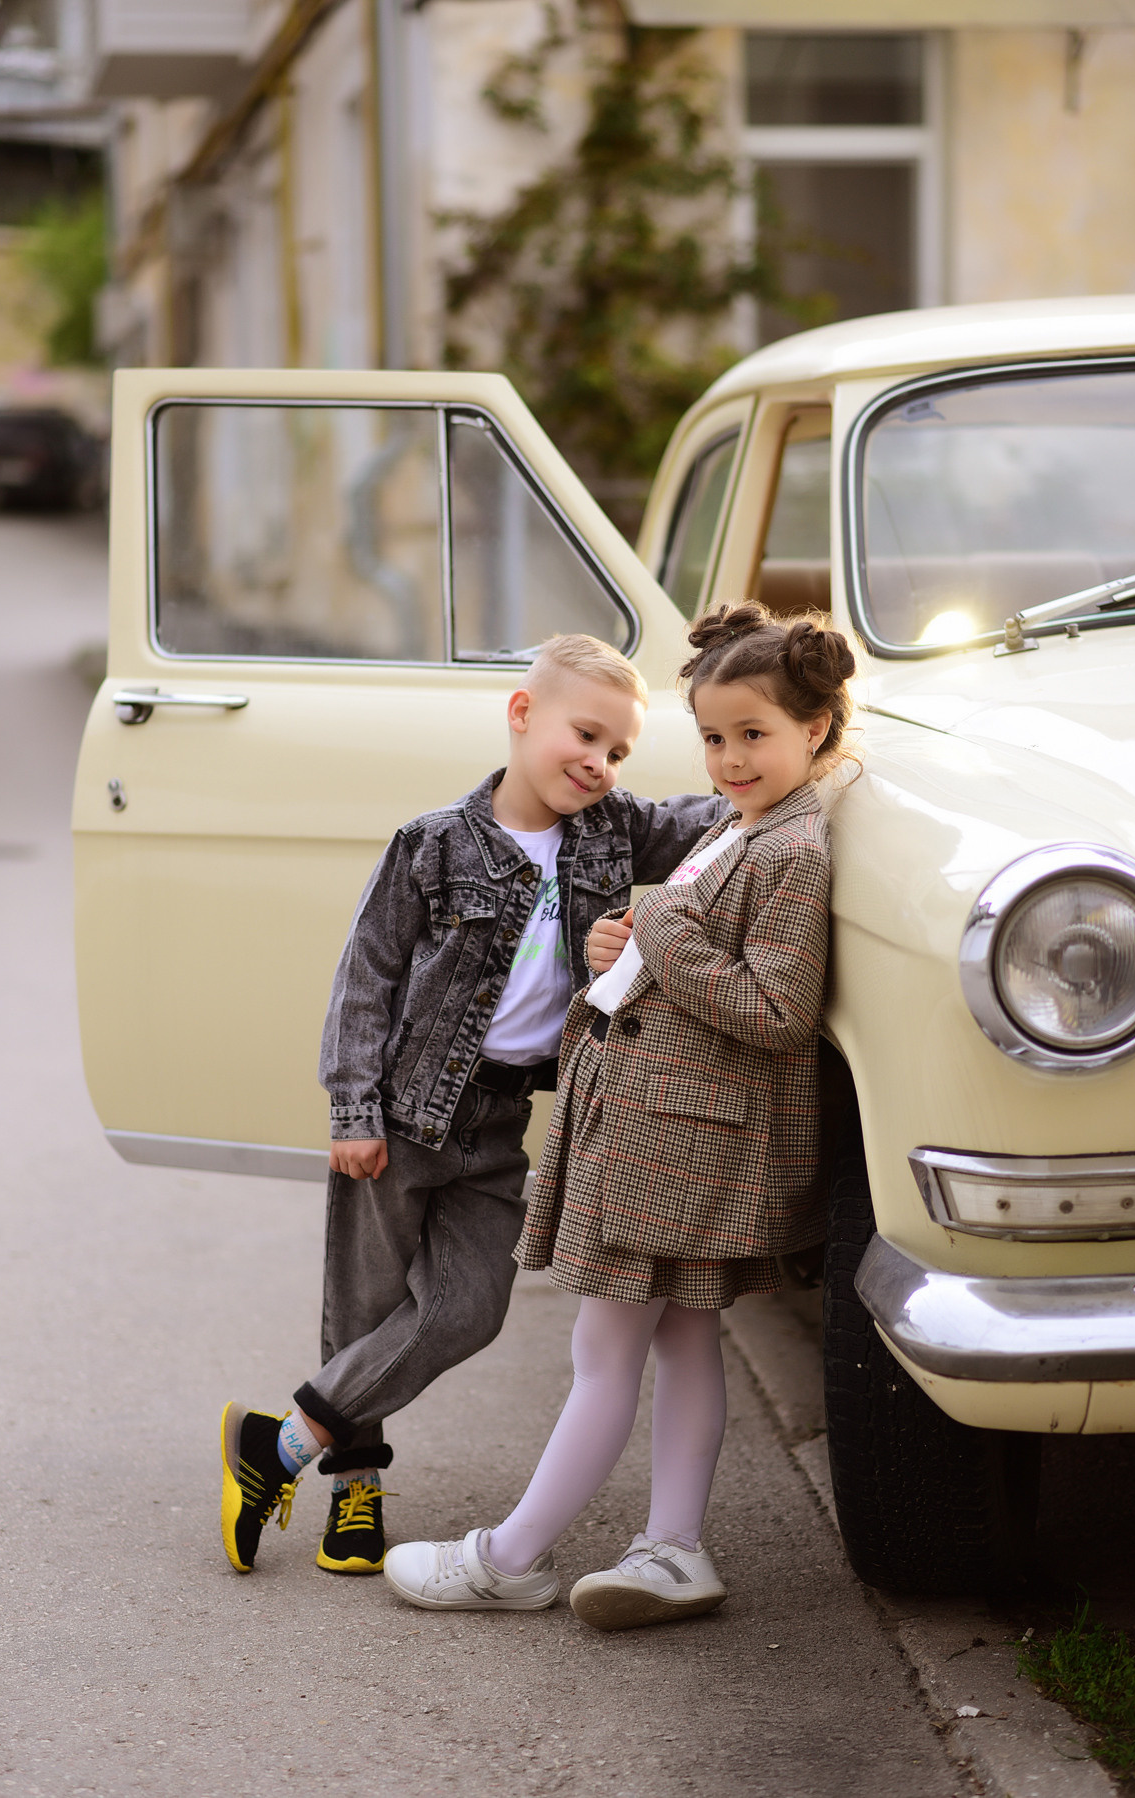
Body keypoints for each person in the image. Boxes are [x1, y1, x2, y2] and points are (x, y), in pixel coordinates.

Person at [382, 603, 856, 1629]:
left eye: (754, 734)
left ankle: (509, 1559)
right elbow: (680, 942)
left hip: (675, 1149)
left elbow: (777, 1009)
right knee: (683, 1341)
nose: (729, 760)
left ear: (815, 728)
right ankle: (673, 1550)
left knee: (604, 1354)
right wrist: (621, 942)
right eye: (715, 738)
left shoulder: (791, 848)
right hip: (659, 1131)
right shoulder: (744, 827)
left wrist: (667, 933)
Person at [219, 633, 728, 1577]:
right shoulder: (432, 844)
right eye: (585, 735)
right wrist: (352, 1113)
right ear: (522, 714)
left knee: (470, 1306)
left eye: (619, 750)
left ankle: (277, 1443)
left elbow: (720, 812)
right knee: (366, 1302)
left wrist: (810, 766)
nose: (600, 762)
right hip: (403, 1115)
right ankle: (353, 1488)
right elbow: (364, 980)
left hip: (497, 1124)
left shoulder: (614, 831)